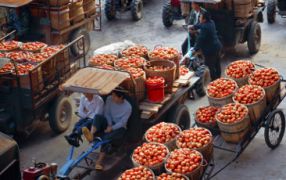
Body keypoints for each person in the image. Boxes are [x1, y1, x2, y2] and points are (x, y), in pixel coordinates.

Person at [81, 88, 132, 170]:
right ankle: (91, 135)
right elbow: (106, 113)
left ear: (121, 97)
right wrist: (109, 124)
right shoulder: (109, 99)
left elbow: (122, 122)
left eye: (115, 96)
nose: (112, 97)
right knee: (97, 116)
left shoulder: (128, 107)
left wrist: (112, 128)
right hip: (109, 123)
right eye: (112, 95)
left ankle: (99, 161)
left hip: (119, 127)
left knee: (106, 138)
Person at [191, 11, 222, 81]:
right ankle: (219, 78)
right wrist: (194, 27)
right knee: (217, 63)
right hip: (217, 46)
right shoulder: (211, 22)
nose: (199, 18)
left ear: (204, 19)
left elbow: (200, 39)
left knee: (210, 66)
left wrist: (195, 49)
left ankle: (214, 81)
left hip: (210, 49)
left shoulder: (205, 27)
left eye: (200, 17)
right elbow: (201, 25)